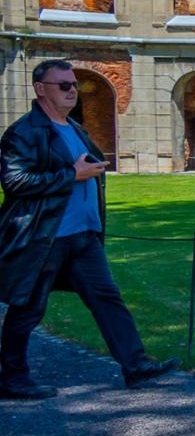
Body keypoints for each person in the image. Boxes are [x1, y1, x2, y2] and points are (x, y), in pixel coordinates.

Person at [0, 60, 179, 399]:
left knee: (108, 299)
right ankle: (12, 377)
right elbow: (15, 181)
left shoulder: (73, 127)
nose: (72, 91)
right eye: (63, 85)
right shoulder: (24, 132)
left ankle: (135, 365)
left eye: (74, 85)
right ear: (40, 89)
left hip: (83, 236)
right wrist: (71, 174)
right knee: (29, 308)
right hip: (46, 236)